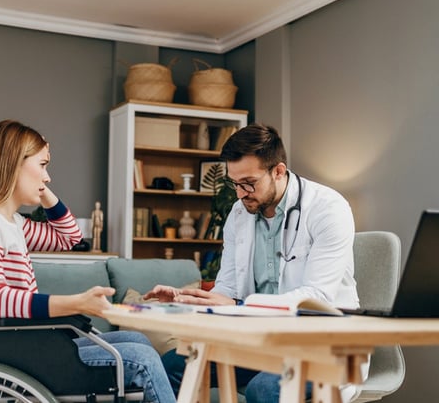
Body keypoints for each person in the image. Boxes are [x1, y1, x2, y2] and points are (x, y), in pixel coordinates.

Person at [0, 119, 175, 403]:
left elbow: (70, 237)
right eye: (43, 165)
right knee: (140, 357)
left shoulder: (11, 223)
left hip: (23, 345)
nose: (47, 177)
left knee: (139, 342)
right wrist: (76, 303)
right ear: (13, 163)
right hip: (11, 352)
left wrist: (38, 186)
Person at [144, 123, 360, 403]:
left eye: (249, 183)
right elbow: (228, 288)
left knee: (264, 389)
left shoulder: (328, 209)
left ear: (278, 171)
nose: (240, 193)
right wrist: (190, 300)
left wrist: (240, 307)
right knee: (174, 364)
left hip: (320, 345)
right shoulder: (239, 213)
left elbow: (317, 297)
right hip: (259, 343)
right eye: (235, 183)